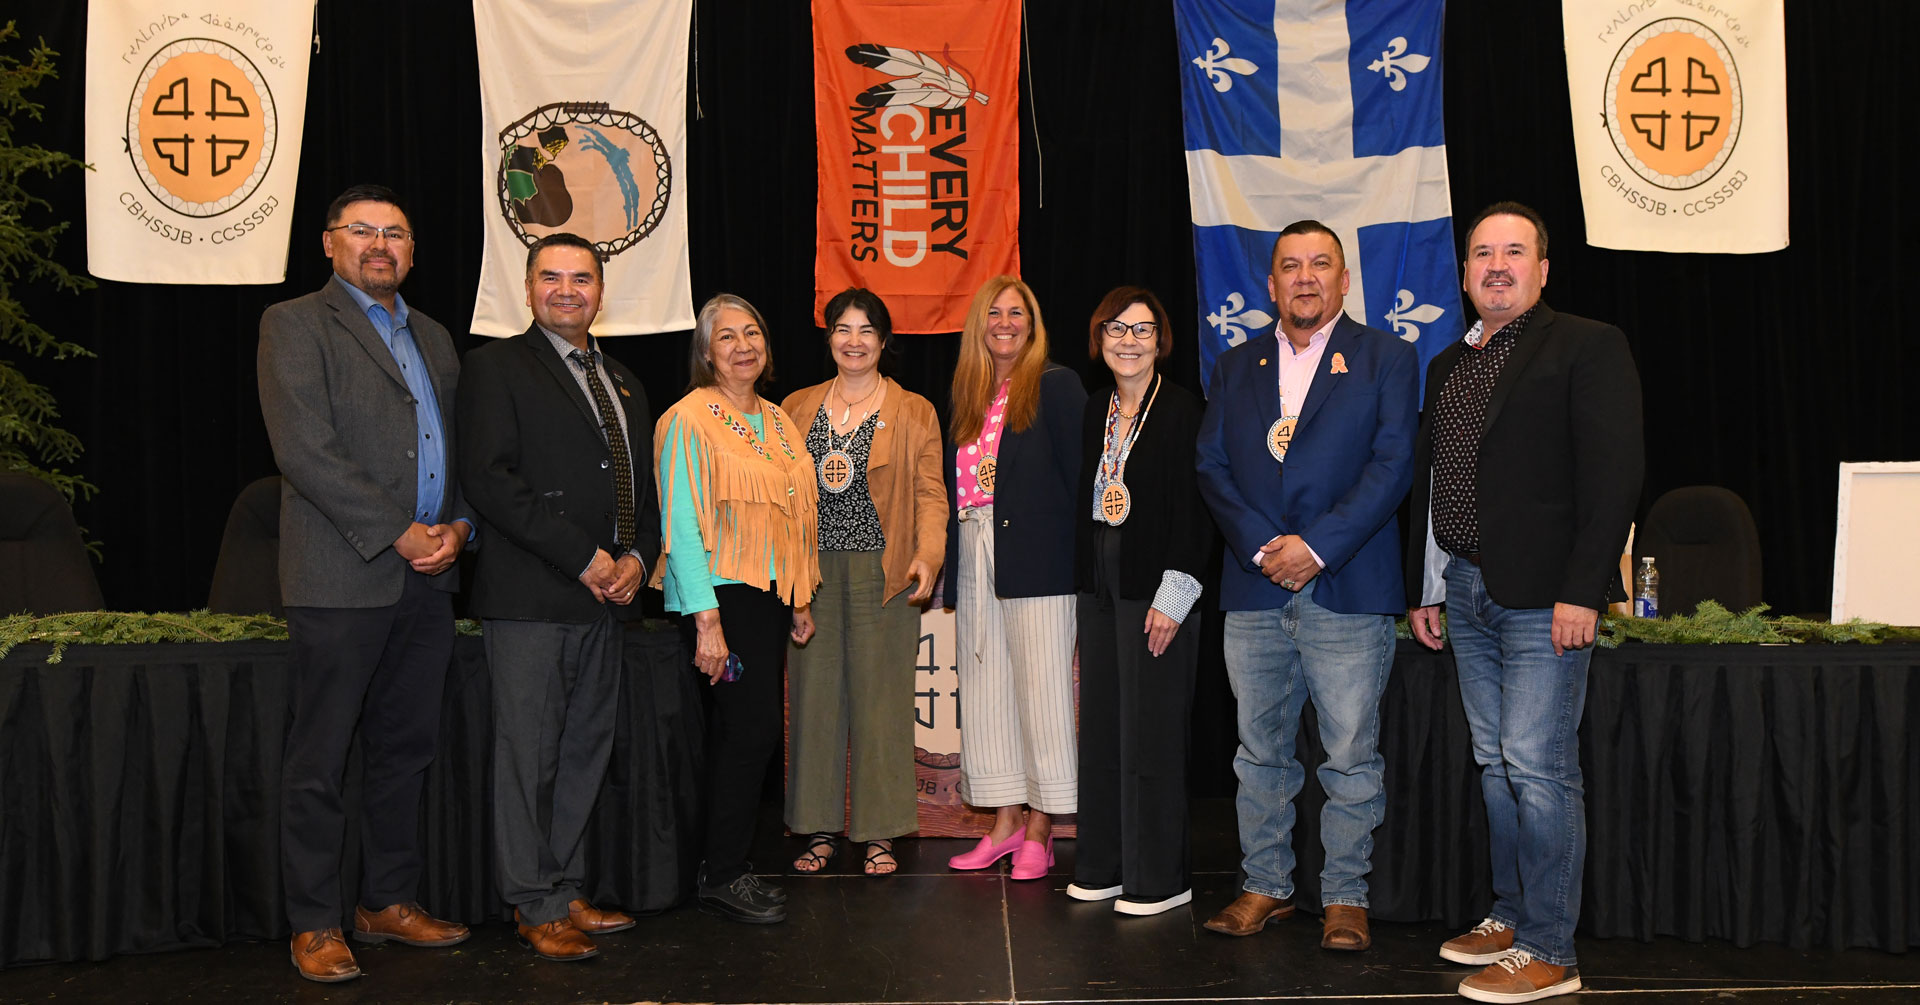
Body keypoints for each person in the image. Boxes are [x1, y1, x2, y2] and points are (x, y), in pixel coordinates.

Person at [1407, 202, 1642, 1003]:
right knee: (1496, 761)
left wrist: (1585, 590)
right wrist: (1429, 583)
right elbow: (1438, 482)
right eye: (1481, 253)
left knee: (1539, 766)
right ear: (1466, 273)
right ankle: (1511, 916)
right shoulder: (1449, 365)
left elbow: (1613, 479)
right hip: (1466, 588)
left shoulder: (1587, 345)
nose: (1496, 264)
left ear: (1543, 269)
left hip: (1547, 600)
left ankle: (1552, 948)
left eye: (1514, 251)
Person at [258, 184, 473, 982]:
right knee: (320, 757)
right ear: (328, 243)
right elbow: (304, 448)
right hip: (339, 576)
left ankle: (386, 899)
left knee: (405, 750)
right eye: (362, 231)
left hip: (430, 579)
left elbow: (458, 448)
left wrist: (458, 528)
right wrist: (397, 529)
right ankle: (314, 920)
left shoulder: (438, 338)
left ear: (412, 253)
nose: (380, 245)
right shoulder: (294, 324)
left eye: (396, 234)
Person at [1194, 220, 1418, 951]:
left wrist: (1316, 547)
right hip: (1255, 589)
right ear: (1271, 283)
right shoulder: (1235, 367)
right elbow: (1212, 468)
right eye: (1290, 266)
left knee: (1349, 753)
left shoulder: (1387, 357)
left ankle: (1345, 896)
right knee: (1258, 752)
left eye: (1321, 264)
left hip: (1347, 586)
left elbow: (1392, 466)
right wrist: (1266, 547)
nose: (1305, 277)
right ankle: (1266, 885)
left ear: (1344, 280)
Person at [456, 233, 662, 961]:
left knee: (582, 752)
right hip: (533, 599)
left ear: (601, 291)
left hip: (607, 602)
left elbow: (645, 491)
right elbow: (490, 481)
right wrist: (586, 558)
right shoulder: (494, 369)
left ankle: (565, 885)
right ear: (528, 287)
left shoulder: (626, 383)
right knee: (527, 757)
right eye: (552, 277)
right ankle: (532, 900)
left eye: (582, 277)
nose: (567, 289)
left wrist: (638, 556)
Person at [651, 293, 820, 923]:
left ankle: (720, 863)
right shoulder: (686, 420)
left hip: (768, 600)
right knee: (747, 735)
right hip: (719, 601)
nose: (743, 346)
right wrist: (707, 622)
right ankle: (721, 872)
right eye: (727, 337)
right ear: (705, 351)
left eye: (753, 333)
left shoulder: (778, 420)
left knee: (745, 736)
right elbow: (681, 526)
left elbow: (794, 513)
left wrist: (798, 596)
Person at [781, 289, 945, 877]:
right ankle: (818, 829)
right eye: (842, 329)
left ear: (883, 340)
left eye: (865, 330)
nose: (854, 340)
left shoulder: (914, 409)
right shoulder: (795, 408)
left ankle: (880, 833)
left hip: (885, 569)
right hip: (814, 571)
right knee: (814, 701)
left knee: (881, 703)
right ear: (828, 339)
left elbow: (930, 493)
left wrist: (927, 556)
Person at [1068, 286, 1210, 915]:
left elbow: (1198, 507)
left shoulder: (1184, 409)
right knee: (1102, 728)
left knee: (1151, 732)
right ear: (1100, 340)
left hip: (1157, 586)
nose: (1129, 340)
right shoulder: (1095, 406)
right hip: (1101, 583)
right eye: (1116, 329)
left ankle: (1159, 878)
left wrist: (1176, 593)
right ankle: (1102, 864)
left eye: (1143, 330)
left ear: (1161, 341)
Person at [942, 276, 1087, 880]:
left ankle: (1041, 827)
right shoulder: (972, 393)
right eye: (994, 312)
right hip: (977, 550)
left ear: (1033, 323)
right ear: (980, 323)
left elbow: (1083, 481)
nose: (1005, 321)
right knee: (986, 692)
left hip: (1040, 559)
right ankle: (1003, 824)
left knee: (1043, 695)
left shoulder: (1055, 385)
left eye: (1017, 312)